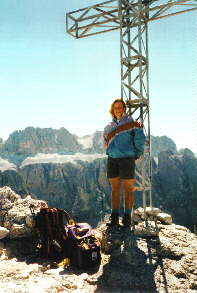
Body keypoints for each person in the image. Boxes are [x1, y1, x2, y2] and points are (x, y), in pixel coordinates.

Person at [103, 98, 146, 227]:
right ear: (112, 110)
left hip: (127, 159)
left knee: (128, 189)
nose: (118, 109)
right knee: (115, 189)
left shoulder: (132, 123)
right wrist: (109, 153)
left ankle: (127, 217)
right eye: (116, 107)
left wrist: (137, 153)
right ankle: (114, 217)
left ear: (124, 109)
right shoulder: (108, 127)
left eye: (120, 107)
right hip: (112, 160)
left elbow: (140, 138)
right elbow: (106, 143)